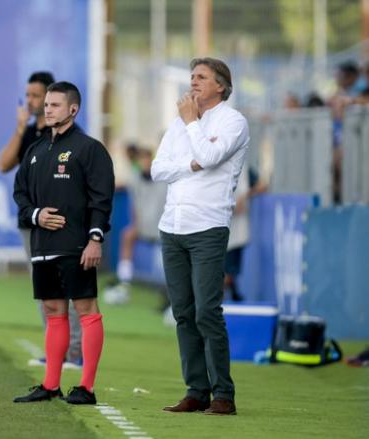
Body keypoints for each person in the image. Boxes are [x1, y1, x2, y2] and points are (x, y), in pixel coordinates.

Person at [151, 57, 249, 415]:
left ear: (220, 86)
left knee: (208, 311)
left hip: (208, 226)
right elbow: (157, 169)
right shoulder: (180, 124)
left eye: (202, 77)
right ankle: (196, 390)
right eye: (192, 76)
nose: (193, 82)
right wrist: (186, 165)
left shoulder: (233, 121)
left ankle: (223, 394)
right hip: (172, 226)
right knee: (184, 312)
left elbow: (208, 157)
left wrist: (191, 125)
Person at [12, 81, 114, 404]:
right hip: (43, 248)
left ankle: (87, 387)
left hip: (76, 246)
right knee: (53, 311)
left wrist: (94, 239)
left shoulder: (89, 149)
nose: (47, 109)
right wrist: (36, 215)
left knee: (85, 310)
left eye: (55, 105)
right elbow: (20, 194)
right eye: (46, 105)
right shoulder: (35, 150)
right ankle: (51, 384)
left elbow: (101, 199)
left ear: (73, 109)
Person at [0, 72, 83, 368]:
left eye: (36, 96)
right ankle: (55, 350)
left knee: (67, 288)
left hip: (60, 223)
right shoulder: (31, 134)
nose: (32, 102)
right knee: (44, 288)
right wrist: (21, 127)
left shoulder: (70, 135)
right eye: (30, 96)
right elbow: (4, 164)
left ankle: (74, 353)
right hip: (32, 222)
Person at [103, 145, 167, 305]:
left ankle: (168, 293)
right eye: (142, 160)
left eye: (147, 160)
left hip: (162, 228)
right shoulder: (135, 178)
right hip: (143, 226)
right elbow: (132, 203)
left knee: (167, 259)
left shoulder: (163, 179)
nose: (145, 163)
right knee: (127, 235)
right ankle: (124, 283)